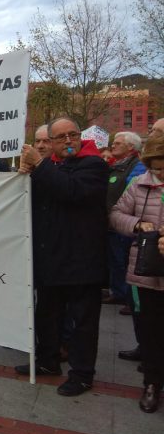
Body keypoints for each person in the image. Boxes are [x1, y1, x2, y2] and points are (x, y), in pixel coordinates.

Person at [15, 117, 108, 397]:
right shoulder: (50, 168)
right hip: (51, 259)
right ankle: (47, 361)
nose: (68, 141)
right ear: (52, 143)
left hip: (82, 262)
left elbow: (72, 191)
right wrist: (24, 176)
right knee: (47, 316)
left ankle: (81, 374)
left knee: (82, 323)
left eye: (73, 135)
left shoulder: (94, 165)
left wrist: (40, 166)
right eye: (61, 137)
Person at [110, 133, 164, 413]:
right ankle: (152, 384)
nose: (159, 173)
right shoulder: (138, 185)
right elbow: (116, 214)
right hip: (145, 271)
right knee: (150, 331)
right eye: (156, 166)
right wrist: (137, 224)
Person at [104, 132, 146, 310]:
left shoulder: (137, 167)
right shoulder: (117, 166)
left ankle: (130, 298)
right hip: (113, 224)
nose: (113, 145)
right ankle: (118, 292)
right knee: (116, 260)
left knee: (127, 261)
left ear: (131, 147)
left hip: (127, 225)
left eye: (118, 143)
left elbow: (132, 193)